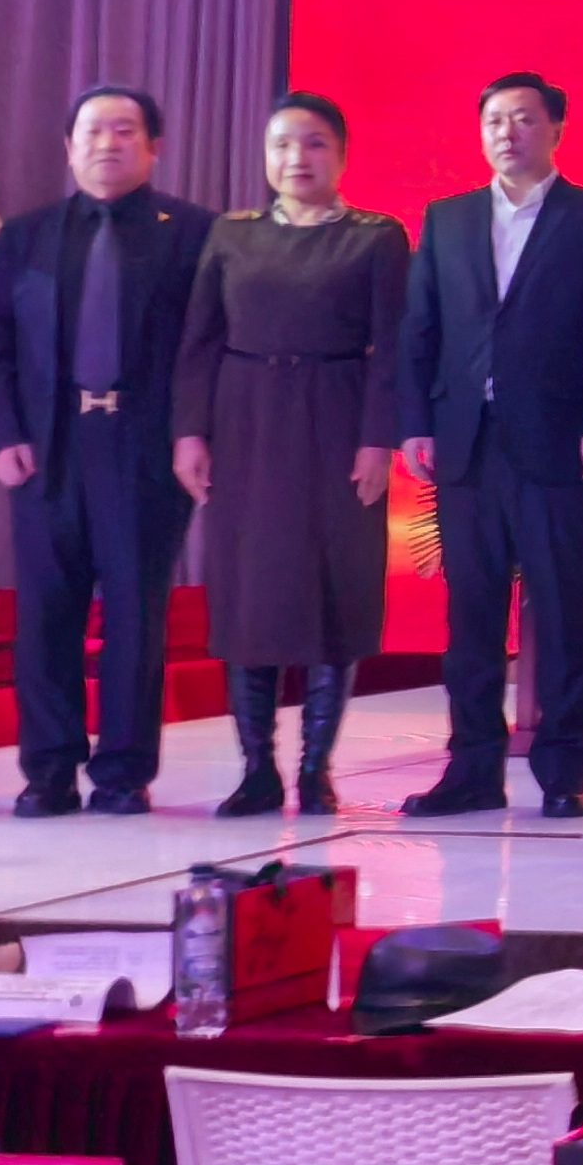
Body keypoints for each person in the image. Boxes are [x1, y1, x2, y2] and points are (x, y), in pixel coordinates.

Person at [395, 72, 583, 821]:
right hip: (467, 444)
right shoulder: (448, 218)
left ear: (556, 129)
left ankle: (563, 770)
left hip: (557, 444)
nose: (508, 132)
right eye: (495, 120)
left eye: (524, 119)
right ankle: (471, 768)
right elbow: (421, 328)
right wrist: (415, 421)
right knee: (471, 614)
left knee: (564, 609)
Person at [0, 86, 212, 818]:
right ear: (69, 147)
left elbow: (205, 349)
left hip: (146, 448)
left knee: (136, 615)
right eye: (92, 131)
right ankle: (48, 770)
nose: (107, 143)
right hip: (48, 447)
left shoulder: (194, 233)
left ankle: (123, 773)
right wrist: (5, 435)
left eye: (124, 131)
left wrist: (193, 432)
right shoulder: (26, 235)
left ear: (154, 147)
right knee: (47, 616)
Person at [173, 94, 409, 818]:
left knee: (336, 589)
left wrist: (378, 440)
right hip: (246, 421)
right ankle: (256, 770)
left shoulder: (375, 238)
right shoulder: (233, 234)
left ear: (341, 155)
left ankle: (315, 770)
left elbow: (393, 350)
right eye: (281, 145)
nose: (296, 158)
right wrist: (190, 433)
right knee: (249, 595)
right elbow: (199, 341)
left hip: (337, 417)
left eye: (313, 144)